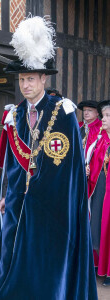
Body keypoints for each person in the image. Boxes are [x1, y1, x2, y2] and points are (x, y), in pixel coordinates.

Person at [0, 16, 97, 299]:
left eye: (30, 79)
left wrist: (69, 205)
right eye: (22, 79)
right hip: (16, 203)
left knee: (46, 263)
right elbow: (12, 161)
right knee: (11, 258)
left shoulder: (65, 112)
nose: (25, 85)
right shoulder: (14, 115)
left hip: (53, 206)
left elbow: (70, 169)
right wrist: (5, 193)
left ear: (44, 78)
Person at [87, 99, 110, 286]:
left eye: (108, 116)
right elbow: (94, 162)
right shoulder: (100, 139)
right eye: (103, 115)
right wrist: (87, 170)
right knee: (98, 225)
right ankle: (99, 266)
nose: (104, 119)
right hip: (100, 189)